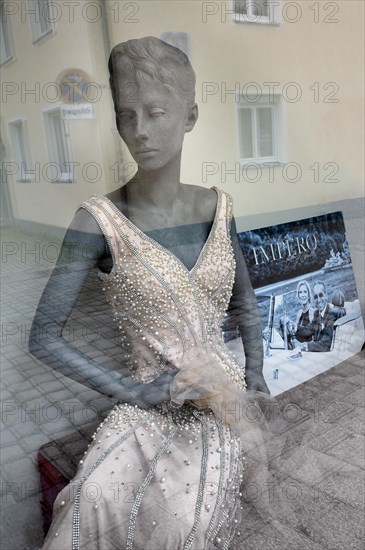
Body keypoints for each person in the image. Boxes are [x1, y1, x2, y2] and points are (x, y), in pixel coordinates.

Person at [29, 37, 273, 549]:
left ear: (189, 116)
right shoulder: (98, 222)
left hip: (224, 400)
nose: (140, 131)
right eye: (126, 116)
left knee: (188, 517)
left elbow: (245, 302)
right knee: (92, 500)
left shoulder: (219, 207)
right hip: (146, 402)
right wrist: (136, 390)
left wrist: (255, 377)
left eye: (157, 112)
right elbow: (44, 336)